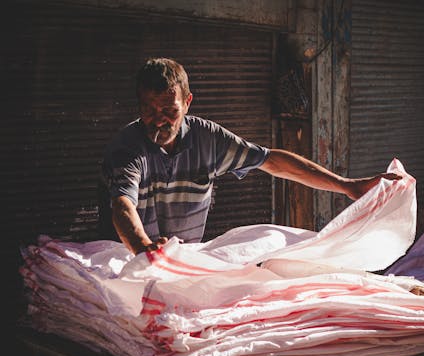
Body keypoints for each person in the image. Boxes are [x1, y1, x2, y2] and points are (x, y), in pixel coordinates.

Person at [100, 57, 402, 255]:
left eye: (169, 111)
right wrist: (143, 249)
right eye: (148, 110)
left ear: (187, 102)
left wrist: (346, 185)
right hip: (131, 260)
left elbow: (273, 162)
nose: (159, 120)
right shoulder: (129, 147)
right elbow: (123, 205)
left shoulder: (208, 139)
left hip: (185, 261)